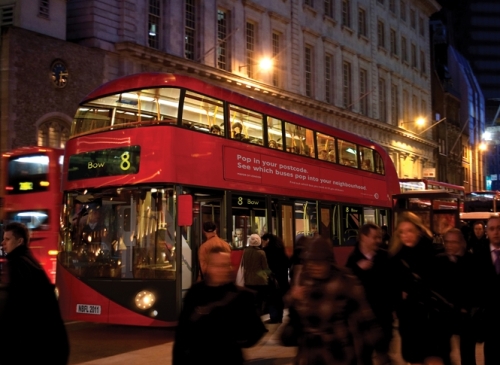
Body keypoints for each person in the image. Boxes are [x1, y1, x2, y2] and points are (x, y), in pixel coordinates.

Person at [282, 237, 381, 364]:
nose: (314, 267)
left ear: (329, 261)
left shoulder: (344, 280)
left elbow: (365, 318)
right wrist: (294, 300)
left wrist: (379, 350)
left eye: (319, 262)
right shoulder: (304, 279)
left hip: (338, 353)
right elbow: (291, 307)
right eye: (311, 262)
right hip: (309, 355)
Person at [172, 247, 266, 365]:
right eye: (217, 265)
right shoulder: (195, 293)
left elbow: (256, 331)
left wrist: (234, 339)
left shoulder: (241, 296)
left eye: (225, 265)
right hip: (197, 359)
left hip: (228, 359)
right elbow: (182, 334)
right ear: (208, 267)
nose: (221, 270)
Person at [0, 222, 69, 365]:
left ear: (19, 241)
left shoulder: (18, 263)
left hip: (41, 347)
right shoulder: (28, 261)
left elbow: (14, 305)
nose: (2, 243)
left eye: (7, 239)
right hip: (50, 345)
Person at [390, 212, 441, 365]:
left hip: (431, 317)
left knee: (434, 358)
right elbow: (393, 284)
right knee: (414, 358)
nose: (405, 235)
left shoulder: (432, 251)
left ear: (418, 230)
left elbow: (436, 282)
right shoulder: (396, 256)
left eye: (409, 231)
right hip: (409, 318)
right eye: (402, 232)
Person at [345, 223, 395, 365]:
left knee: (383, 354)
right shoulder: (353, 260)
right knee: (363, 356)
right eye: (374, 237)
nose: (378, 240)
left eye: (379, 237)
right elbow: (347, 286)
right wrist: (358, 269)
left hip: (382, 316)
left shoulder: (385, 257)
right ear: (363, 237)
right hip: (361, 319)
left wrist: (392, 308)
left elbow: (393, 284)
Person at [430, 228, 476, 365]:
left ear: (462, 243)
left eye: (453, 242)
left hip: (465, 312)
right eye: (446, 242)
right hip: (445, 312)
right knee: (444, 349)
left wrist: (467, 307)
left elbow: (475, 287)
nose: (449, 245)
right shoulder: (439, 260)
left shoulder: (472, 261)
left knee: (467, 351)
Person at [473, 215, 500, 365]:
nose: (496, 232)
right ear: (487, 232)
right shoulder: (478, 257)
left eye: (499, 228)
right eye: (492, 229)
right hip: (489, 321)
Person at [261, 233, 290, 323]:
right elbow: (287, 263)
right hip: (282, 278)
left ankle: (274, 318)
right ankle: (279, 317)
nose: (262, 243)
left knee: (271, 298)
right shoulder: (281, 250)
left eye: (263, 241)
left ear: (268, 240)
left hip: (272, 278)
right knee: (279, 298)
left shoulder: (266, 251)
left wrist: (263, 274)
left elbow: (265, 266)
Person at [242, 234, 270, 316]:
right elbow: (265, 267)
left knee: (251, 301)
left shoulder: (245, 252)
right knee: (260, 300)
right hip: (260, 280)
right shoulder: (261, 253)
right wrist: (269, 276)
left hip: (248, 279)